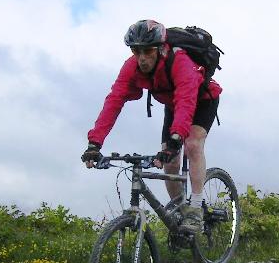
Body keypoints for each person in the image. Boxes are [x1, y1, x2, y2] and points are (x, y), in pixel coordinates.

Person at [81, 19, 222, 234]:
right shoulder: (131, 67)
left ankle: (195, 209)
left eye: (147, 51)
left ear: (160, 49)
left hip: (201, 100)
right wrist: (94, 143)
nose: (142, 58)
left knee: (192, 144)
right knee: (171, 163)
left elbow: (186, 101)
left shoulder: (180, 62)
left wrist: (176, 139)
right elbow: (113, 102)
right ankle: (179, 208)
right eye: (136, 52)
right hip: (174, 104)